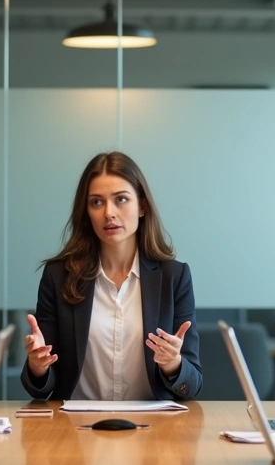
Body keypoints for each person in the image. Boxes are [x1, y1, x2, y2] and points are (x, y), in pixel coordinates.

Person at [21, 152, 201, 400]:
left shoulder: (174, 277)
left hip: (152, 421)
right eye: (96, 202)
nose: (108, 212)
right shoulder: (59, 276)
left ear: (142, 206)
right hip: (75, 421)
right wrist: (37, 367)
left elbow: (192, 384)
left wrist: (173, 364)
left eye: (121, 199)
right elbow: (40, 385)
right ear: (86, 212)